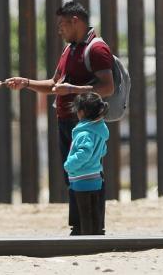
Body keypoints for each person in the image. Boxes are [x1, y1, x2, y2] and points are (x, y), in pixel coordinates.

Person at [5, 1, 114, 235]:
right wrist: (27, 83)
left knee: (90, 173)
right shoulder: (70, 49)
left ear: (75, 21)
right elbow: (55, 85)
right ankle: (79, 226)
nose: (59, 30)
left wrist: (73, 89)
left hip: (85, 123)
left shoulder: (96, 49)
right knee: (73, 175)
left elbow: (107, 87)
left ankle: (94, 227)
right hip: (66, 122)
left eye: (62, 25)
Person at [63, 92, 110, 235]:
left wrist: (69, 164)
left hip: (82, 178)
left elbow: (84, 153)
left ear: (82, 112)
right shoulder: (99, 131)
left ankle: (87, 239)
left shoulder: (84, 134)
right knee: (94, 210)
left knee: (84, 212)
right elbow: (103, 151)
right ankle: (96, 236)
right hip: (96, 176)